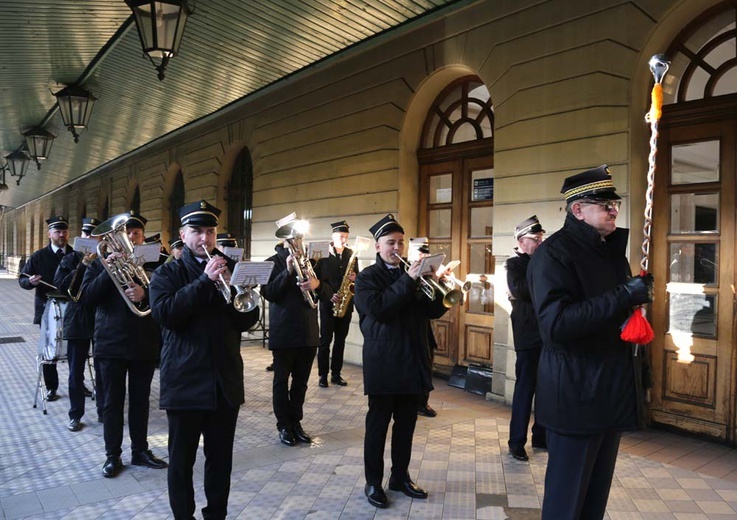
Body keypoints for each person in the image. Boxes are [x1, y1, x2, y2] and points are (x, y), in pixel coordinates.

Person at [527, 165, 653, 519]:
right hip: (575, 394)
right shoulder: (553, 254)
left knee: (593, 502)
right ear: (577, 210)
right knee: (566, 504)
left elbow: (611, 310)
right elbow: (556, 325)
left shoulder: (608, 251)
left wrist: (634, 302)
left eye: (614, 202)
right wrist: (623, 296)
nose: (613, 209)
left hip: (609, 391)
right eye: (603, 202)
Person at [149, 200, 260, 520]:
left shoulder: (228, 269)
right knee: (181, 462)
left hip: (224, 382)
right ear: (183, 235)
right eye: (197, 231)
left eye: (210, 232)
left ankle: (217, 515)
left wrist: (249, 297)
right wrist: (204, 282)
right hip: (185, 382)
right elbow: (165, 314)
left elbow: (243, 323)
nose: (205, 239)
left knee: (220, 460)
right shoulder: (167, 273)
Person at [354, 214, 448, 509]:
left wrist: (436, 285)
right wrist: (409, 280)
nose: (397, 248)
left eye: (400, 242)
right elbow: (378, 309)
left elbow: (432, 312)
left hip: (413, 358)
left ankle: (400, 477)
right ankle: (373, 482)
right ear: (378, 246)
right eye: (390, 243)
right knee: (378, 426)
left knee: (406, 425)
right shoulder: (368, 277)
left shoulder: (414, 273)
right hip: (383, 361)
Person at [80, 210, 167, 478]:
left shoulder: (156, 264)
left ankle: (140, 450)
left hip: (144, 341)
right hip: (111, 343)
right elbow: (86, 299)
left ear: (142, 237)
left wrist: (146, 292)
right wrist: (109, 269)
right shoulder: (98, 263)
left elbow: (166, 298)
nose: (130, 237)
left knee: (140, 401)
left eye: (136, 233)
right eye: (126, 232)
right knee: (112, 403)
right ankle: (112, 455)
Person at [261, 215, 332, 447]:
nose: (298, 240)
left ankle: (296, 422)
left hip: (309, 330)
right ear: (284, 239)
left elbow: (327, 290)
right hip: (284, 331)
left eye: (300, 236)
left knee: (301, 382)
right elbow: (269, 293)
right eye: (294, 237)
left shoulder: (313, 260)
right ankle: (283, 425)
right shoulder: (271, 262)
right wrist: (288, 271)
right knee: (281, 381)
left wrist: (317, 285)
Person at [19, 216, 74, 402]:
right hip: (47, 309)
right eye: (57, 232)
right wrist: (30, 281)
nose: (62, 235)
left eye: (64, 232)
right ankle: (51, 387)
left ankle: (78, 384)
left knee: (76, 349)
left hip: (73, 309)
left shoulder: (76, 255)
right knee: (50, 350)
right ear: (49, 234)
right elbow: (23, 279)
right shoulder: (38, 256)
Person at [505, 215, 547, 461]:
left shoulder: (542, 261)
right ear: (522, 242)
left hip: (547, 335)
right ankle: (516, 442)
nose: (540, 242)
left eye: (542, 238)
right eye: (535, 239)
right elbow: (521, 291)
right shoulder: (515, 264)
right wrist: (540, 267)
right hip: (528, 335)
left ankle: (540, 436)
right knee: (525, 390)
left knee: (546, 390)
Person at [54, 217, 101, 431]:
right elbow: (63, 287)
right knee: (75, 371)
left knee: (103, 370)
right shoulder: (70, 259)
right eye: (85, 234)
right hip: (77, 318)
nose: (89, 238)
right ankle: (75, 414)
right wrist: (82, 265)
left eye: (93, 234)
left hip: (101, 319)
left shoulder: (106, 259)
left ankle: (103, 409)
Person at [314, 220, 358, 387]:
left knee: (341, 341)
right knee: (325, 341)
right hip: (327, 304)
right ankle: (322, 375)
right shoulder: (322, 255)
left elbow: (357, 276)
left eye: (346, 236)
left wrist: (356, 278)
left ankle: (336, 374)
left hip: (346, 304)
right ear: (333, 236)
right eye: (341, 236)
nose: (344, 239)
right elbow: (316, 280)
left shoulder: (352, 254)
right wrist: (328, 294)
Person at [409, 238, 438, 418]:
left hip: (425, 327)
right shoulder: (407, 272)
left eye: (426, 254)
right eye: (421, 254)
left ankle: (423, 402)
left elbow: (435, 305)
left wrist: (437, 280)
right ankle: (413, 402)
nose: (424, 257)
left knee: (427, 363)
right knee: (413, 366)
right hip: (410, 329)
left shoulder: (427, 274)